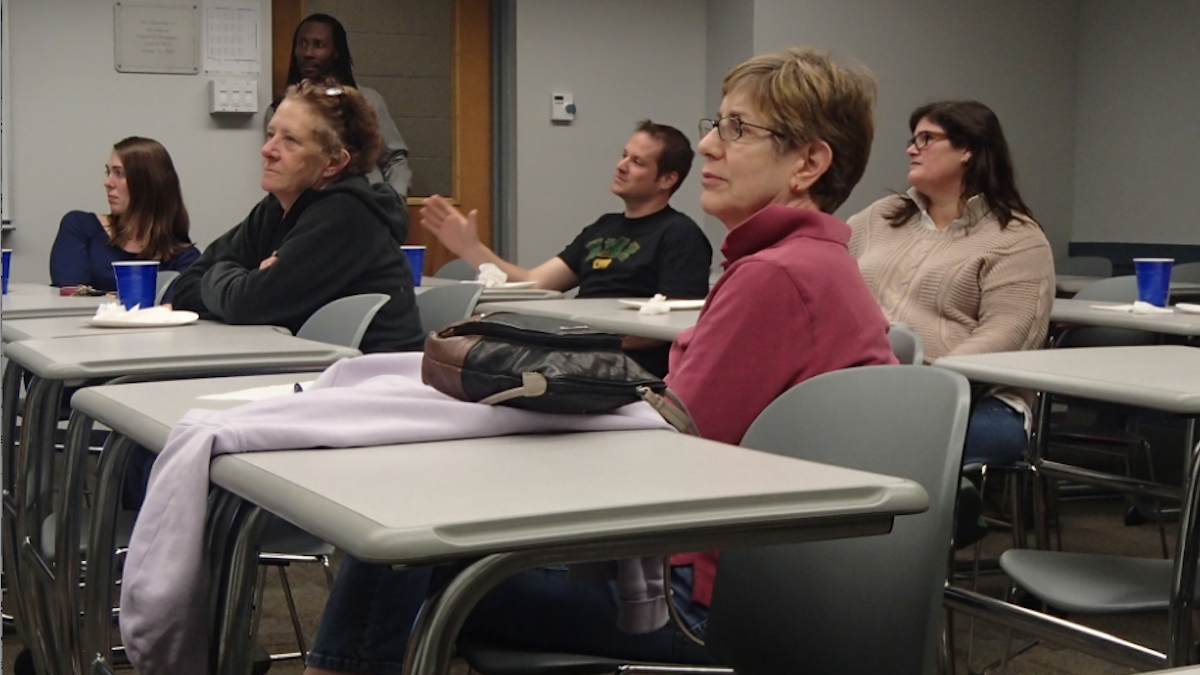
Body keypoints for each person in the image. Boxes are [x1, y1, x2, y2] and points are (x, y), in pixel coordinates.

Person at [303, 47, 895, 675]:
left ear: (808, 162)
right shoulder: (803, 263)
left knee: (407, 546)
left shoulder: (777, 276)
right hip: (753, 578)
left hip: (707, 604)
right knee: (419, 538)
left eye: (738, 129)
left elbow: (666, 447)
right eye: (715, 124)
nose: (709, 147)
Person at [847, 100, 1055, 466]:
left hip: (977, 399)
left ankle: (940, 519)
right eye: (913, 139)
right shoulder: (879, 217)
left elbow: (1009, 333)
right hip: (868, 383)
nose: (912, 149)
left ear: (968, 149)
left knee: (874, 440)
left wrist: (922, 386)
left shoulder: (1017, 238)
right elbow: (829, 280)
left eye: (926, 139)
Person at [422, 119, 713, 375]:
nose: (621, 166)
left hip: (625, 365)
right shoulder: (602, 227)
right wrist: (470, 248)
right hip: (578, 350)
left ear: (667, 179)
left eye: (637, 162)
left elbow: (675, 327)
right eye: (624, 156)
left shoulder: (681, 235)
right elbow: (534, 284)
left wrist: (581, 341)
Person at [171, 79, 423, 354]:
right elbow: (185, 287)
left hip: (377, 379)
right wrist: (243, 279)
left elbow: (246, 304)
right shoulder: (275, 208)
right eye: (271, 135)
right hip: (310, 370)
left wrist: (228, 275)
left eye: (290, 140)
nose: (267, 151)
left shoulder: (347, 215)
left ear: (334, 162)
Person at [267, 13, 412, 197]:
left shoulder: (367, 101)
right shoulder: (279, 110)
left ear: (336, 51)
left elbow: (394, 159)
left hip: (364, 208)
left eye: (319, 45)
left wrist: (393, 206)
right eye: (302, 43)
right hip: (308, 213)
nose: (308, 53)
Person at [50, 137, 199, 293]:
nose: (107, 182)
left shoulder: (185, 258)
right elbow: (68, 294)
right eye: (108, 172)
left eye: (119, 173)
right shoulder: (80, 227)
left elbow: (176, 307)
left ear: (148, 183)